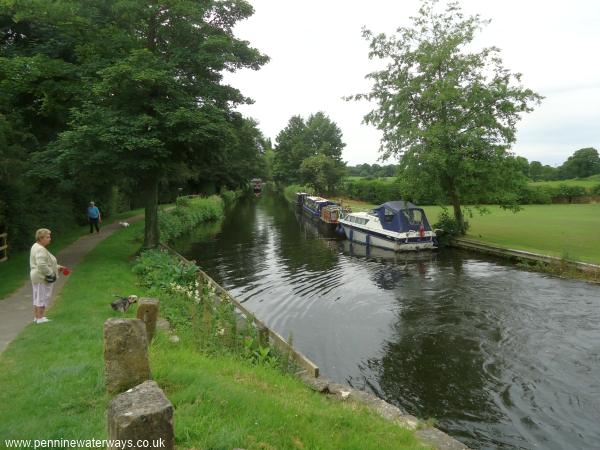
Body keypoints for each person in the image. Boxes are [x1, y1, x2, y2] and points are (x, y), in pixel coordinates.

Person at [30, 228, 63, 324]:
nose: (50, 239)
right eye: (47, 237)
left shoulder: (36, 246)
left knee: (37, 297)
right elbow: (41, 265)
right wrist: (50, 273)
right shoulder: (40, 249)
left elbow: (46, 263)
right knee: (42, 297)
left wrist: (57, 267)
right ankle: (40, 318)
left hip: (36, 276)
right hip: (41, 277)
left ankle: (37, 317)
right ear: (41, 238)